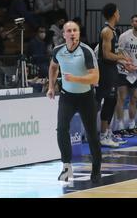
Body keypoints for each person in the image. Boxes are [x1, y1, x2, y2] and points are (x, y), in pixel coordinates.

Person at [47, 21, 102, 183]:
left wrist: (75, 78)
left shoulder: (86, 51)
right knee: (61, 128)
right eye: (69, 31)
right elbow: (52, 67)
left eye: (75, 30)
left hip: (86, 97)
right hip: (67, 96)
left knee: (92, 135)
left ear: (78, 33)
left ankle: (96, 169)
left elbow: (95, 77)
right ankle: (66, 167)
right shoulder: (58, 50)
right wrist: (51, 86)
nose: (72, 33)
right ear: (64, 35)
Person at [96, 3, 135, 148]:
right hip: (105, 70)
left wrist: (124, 64)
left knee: (112, 101)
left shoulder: (114, 31)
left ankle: (108, 133)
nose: (119, 14)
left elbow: (113, 55)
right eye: (118, 12)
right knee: (108, 101)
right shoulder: (107, 31)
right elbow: (106, 54)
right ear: (113, 14)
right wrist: (123, 58)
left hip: (112, 69)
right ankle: (103, 135)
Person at [113, 14, 137, 138]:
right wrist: (127, 64)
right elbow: (120, 52)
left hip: (135, 72)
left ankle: (131, 125)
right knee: (121, 98)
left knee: (134, 98)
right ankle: (120, 126)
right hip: (123, 71)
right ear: (131, 23)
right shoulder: (124, 36)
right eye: (136, 21)